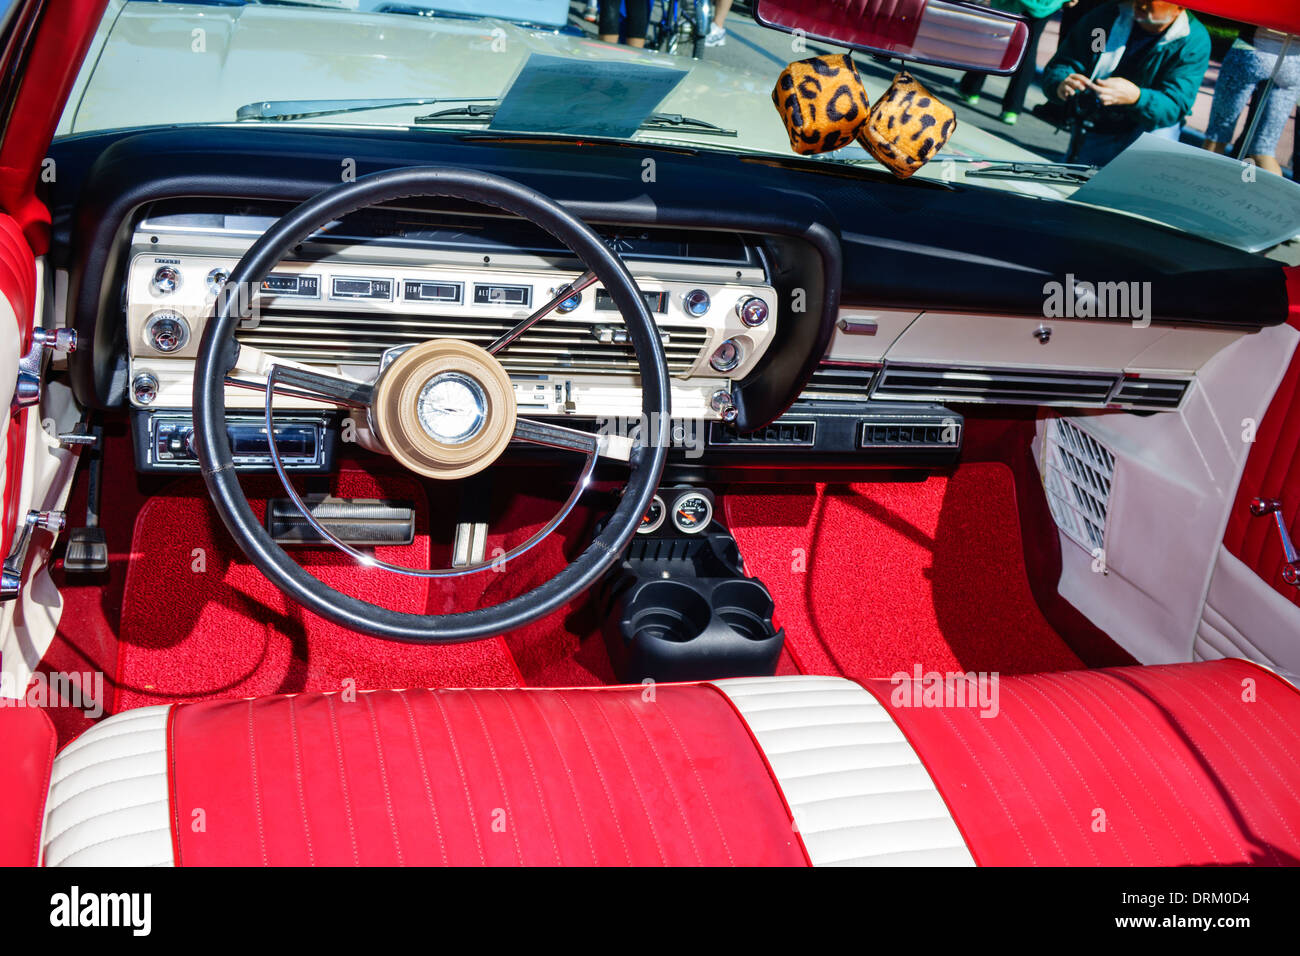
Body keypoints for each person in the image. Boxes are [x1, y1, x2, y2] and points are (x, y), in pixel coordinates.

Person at [1042, 1, 1211, 166]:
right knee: (1079, 179)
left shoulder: (1191, 41)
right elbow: (1075, 60)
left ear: (1179, 7)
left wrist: (1137, 97)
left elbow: (1175, 104)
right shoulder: (1106, 19)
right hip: (1099, 121)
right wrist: (1062, 81)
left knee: (1157, 145)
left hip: (1149, 126)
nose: (1140, 2)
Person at [958, 0, 1074, 125]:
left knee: (997, 38)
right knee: (1029, 46)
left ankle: (970, 89)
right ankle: (1012, 109)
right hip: (1045, 4)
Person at [1203, 27, 1299, 176]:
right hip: (1294, 62)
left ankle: (1201, 188)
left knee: (1217, 137)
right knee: (1263, 150)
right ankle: (1272, 198)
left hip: (1252, 48)